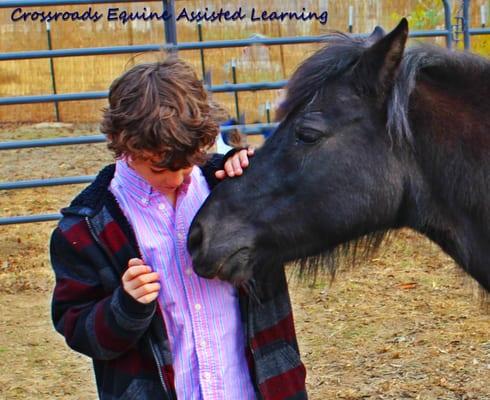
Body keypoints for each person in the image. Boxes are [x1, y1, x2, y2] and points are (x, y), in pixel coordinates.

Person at [49, 57, 307, 400]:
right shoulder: (86, 230)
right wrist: (125, 307)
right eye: (158, 169)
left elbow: (300, 230)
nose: (174, 179)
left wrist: (260, 181)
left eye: (186, 166)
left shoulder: (229, 185)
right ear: (123, 143)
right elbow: (79, 330)